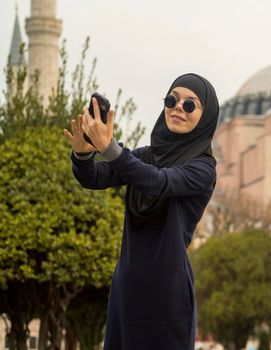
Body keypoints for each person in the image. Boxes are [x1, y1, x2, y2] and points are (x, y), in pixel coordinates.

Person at [63, 73, 219, 350]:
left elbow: (158, 182)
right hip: (127, 288)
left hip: (167, 296)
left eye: (190, 104)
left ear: (205, 116)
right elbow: (95, 178)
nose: (178, 107)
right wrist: (83, 153)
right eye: (172, 99)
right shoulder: (145, 156)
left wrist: (110, 149)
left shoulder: (203, 168)